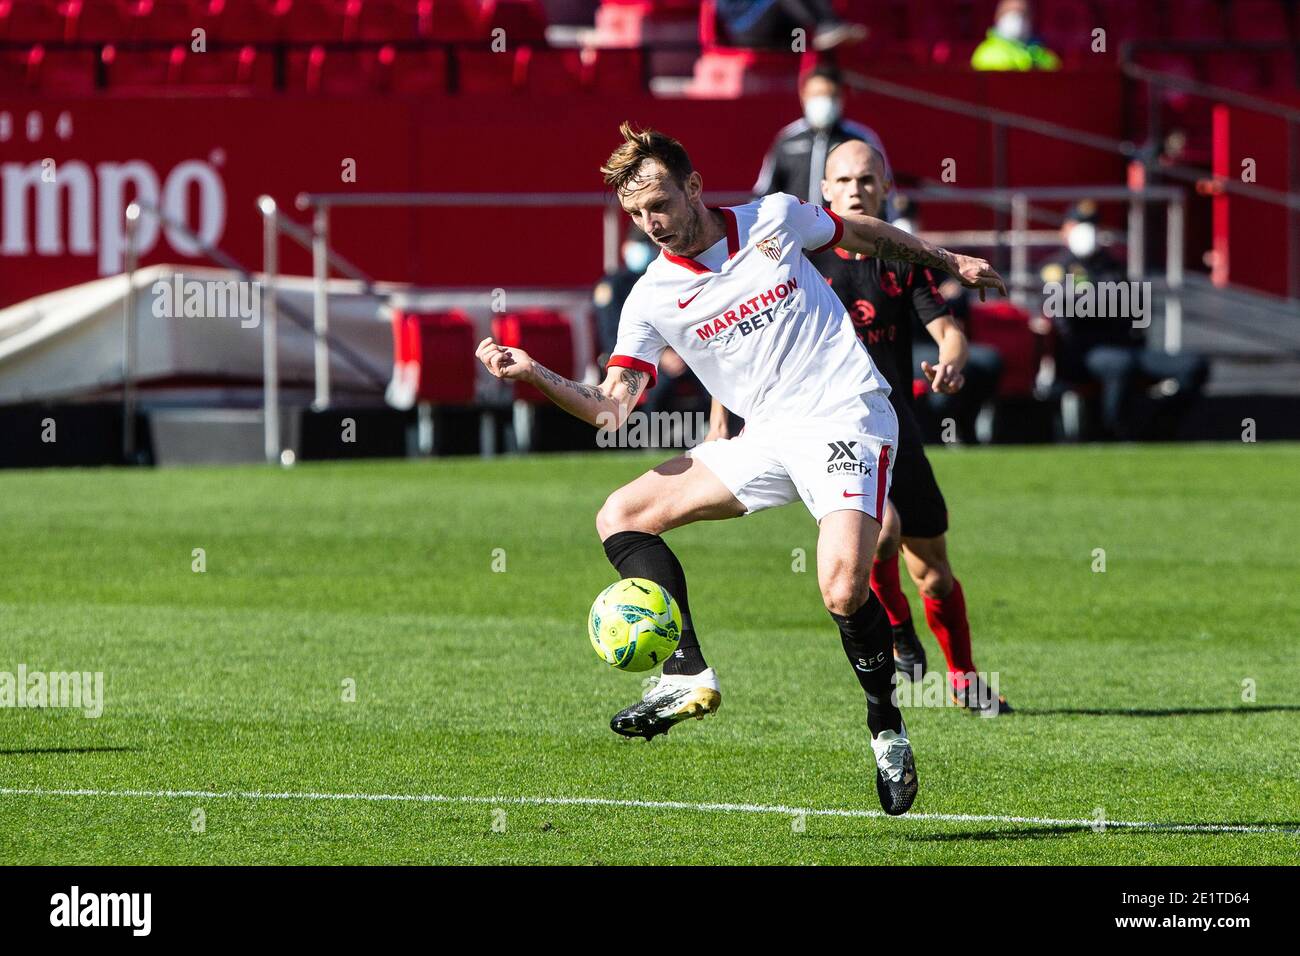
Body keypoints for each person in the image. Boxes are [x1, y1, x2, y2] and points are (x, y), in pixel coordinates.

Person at [476, 122, 1005, 815]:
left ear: (694, 187)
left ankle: (886, 725)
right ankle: (686, 674)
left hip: (845, 415)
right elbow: (610, 409)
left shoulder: (777, 217)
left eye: (660, 204)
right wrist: (533, 371)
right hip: (767, 438)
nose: (651, 223)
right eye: (636, 214)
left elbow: (861, 234)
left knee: (843, 590)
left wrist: (946, 260)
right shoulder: (651, 297)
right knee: (620, 515)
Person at [711, 140, 1011, 715]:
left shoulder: (898, 258)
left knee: (937, 576)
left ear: (886, 187)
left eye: (868, 180)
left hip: (897, 426)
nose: (856, 190)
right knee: (883, 528)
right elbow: (734, 345)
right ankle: (898, 630)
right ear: (823, 191)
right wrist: (721, 419)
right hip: (829, 433)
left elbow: (948, 329)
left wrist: (952, 357)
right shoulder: (795, 257)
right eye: (844, 181)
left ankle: (966, 680)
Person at [1041, 201, 1209, 440]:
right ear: (1066, 228)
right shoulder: (1057, 268)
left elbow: (1137, 306)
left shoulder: (1113, 267)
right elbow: (1062, 306)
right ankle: (1114, 433)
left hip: (1125, 347)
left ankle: (1156, 429)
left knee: (1193, 365)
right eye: (1080, 224)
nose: (1088, 231)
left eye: (1092, 225)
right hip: (1085, 352)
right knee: (1120, 364)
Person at [753, 63, 894, 217]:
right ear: (803, 96)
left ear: (841, 97)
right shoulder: (787, 139)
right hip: (799, 234)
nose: (823, 101)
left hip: (847, 232)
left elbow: (886, 192)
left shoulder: (861, 139)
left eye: (830, 95)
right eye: (817, 94)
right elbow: (764, 193)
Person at [595, 229, 704, 418]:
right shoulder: (614, 285)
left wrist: (681, 352)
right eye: (639, 245)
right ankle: (651, 441)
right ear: (625, 248)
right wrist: (661, 357)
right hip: (636, 359)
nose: (643, 250)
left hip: (679, 355)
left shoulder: (664, 280)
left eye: (648, 245)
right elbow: (611, 334)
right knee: (657, 389)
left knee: (710, 380)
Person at [717, 0, 866, 51]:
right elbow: (732, 12)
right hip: (746, 32)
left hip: (790, 36)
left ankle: (831, 25)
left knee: (799, 37)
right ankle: (823, 29)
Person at [971, 0, 1060, 72]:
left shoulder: (1041, 53)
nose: (1018, 19)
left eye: (1023, 14)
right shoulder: (987, 53)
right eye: (1011, 13)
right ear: (999, 17)